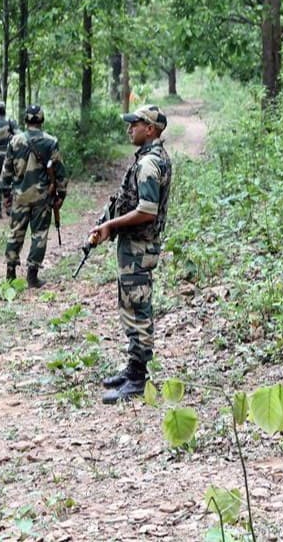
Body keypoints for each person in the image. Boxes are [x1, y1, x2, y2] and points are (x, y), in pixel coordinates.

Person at [88, 105, 172, 405]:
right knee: (130, 304)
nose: (130, 129)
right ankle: (133, 367)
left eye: (135, 124)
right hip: (134, 247)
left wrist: (111, 225)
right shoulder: (147, 158)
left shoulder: (150, 163)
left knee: (137, 308)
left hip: (139, 247)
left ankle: (138, 379)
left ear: (150, 129)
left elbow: (147, 211)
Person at [0, 105, 66, 288]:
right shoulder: (51, 142)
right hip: (42, 197)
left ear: (26, 121)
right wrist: (61, 194)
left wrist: (5, 193)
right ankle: (32, 275)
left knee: (15, 233)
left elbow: (6, 170)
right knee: (39, 235)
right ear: (42, 120)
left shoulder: (15, 141)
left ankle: (10, 274)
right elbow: (59, 170)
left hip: (20, 197)